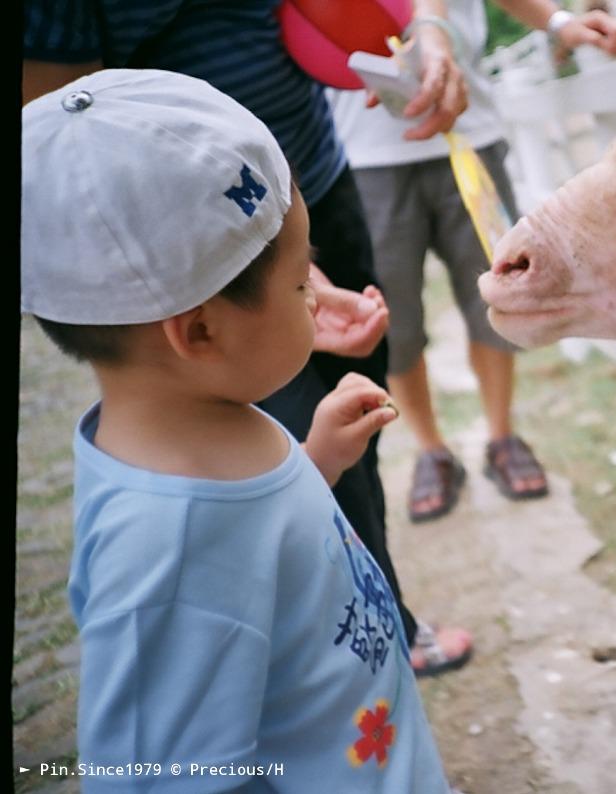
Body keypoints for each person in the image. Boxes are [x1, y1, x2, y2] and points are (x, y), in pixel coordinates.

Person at [21, 69, 449, 790]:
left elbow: (249, 559)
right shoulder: (162, 556)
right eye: (300, 283)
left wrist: (314, 462)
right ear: (200, 331)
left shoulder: (204, 419)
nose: (317, 297)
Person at [329, 0, 616, 522]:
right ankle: (431, 449)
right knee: (393, 323)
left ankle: (501, 435)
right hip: (364, 155)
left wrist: (560, 22)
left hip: (471, 136)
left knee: (498, 299)